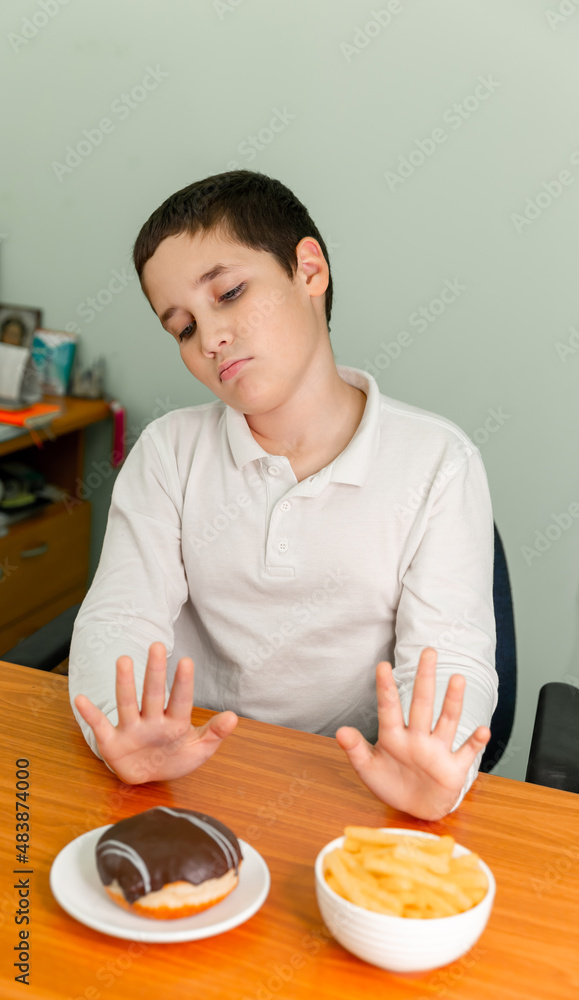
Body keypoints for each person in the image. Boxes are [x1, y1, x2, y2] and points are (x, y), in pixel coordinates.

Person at [69, 170, 497, 821]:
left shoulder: (438, 462)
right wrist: (118, 732)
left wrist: (433, 768)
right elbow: (118, 621)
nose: (209, 339)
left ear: (308, 270)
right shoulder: (168, 452)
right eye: (181, 328)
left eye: (230, 293)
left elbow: (450, 653)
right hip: (187, 773)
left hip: (351, 787)